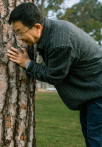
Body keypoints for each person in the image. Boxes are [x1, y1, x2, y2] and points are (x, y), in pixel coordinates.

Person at [7, 2, 102, 147]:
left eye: (21, 32)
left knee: (96, 140)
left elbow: (54, 75)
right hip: (91, 95)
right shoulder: (52, 31)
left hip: (98, 94)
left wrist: (28, 63)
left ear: (37, 27)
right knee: (91, 138)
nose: (19, 38)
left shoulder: (59, 42)